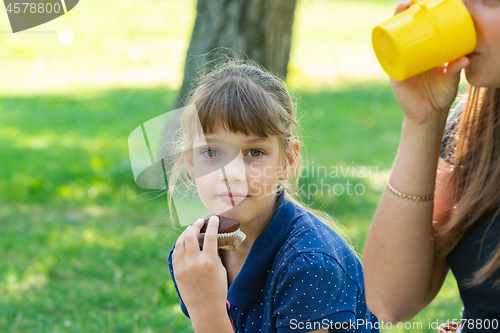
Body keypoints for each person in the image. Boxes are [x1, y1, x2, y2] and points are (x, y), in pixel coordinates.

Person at [166, 60, 378, 333]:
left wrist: (207, 311)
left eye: (253, 152)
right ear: (190, 162)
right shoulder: (198, 252)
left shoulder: (310, 266)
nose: (231, 174)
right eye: (211, 152)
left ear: (288, 160)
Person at [364, 0, 500, 331]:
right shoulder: (474, 129)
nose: (461, 12)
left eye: (486, 1)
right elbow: (390, 301)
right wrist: (423, 123)